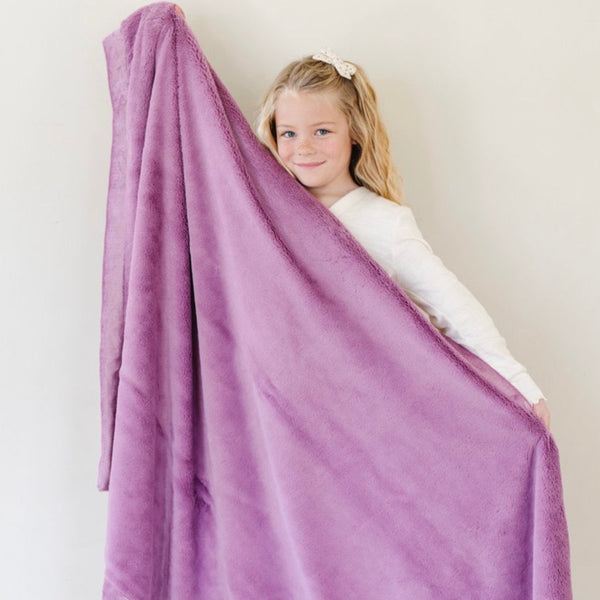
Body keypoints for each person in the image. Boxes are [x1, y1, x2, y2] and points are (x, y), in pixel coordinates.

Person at [255, 49, 552, 431]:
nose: (303, 147)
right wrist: (172, 40)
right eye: (289, 133)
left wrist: (522, 386)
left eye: (322, 131)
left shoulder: (384, 223)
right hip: (276, 405)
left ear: (355, 133)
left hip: (349, 410)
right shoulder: (268, 210)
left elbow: (453, 306)